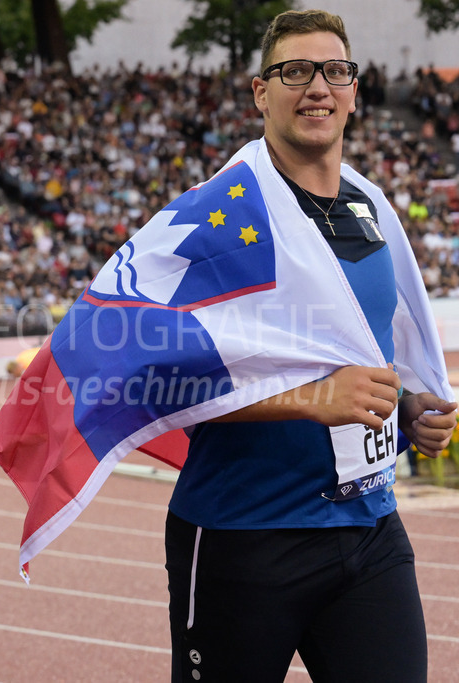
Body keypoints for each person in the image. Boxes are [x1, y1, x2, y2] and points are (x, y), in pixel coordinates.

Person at [164, 10, 457, 682]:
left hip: (369, 528)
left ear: (354, 90)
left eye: (334, 71)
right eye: (295, 71)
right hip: (246, 536)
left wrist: (407, 405)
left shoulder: (374, 211)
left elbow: (363, 353)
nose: (317, 86)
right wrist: (314, 399)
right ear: (261, 93)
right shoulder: (216, 220)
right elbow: (162, 381)